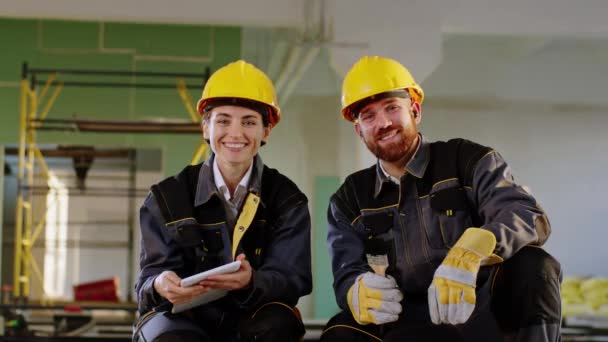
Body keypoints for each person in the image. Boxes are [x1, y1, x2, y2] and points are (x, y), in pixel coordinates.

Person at [320, 56, 562, 342]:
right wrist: (355, 288)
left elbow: (526, 214)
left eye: (391, 108)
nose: (383, 123)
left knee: (535, 266)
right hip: (406, 322)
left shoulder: (467, 160)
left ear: (415, 111)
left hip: (480, 310)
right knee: (340, 332)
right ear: (359, 130)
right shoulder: (349, 197)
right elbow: (347, 269)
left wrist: (472, 251)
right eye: (369, 116)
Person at [133, 60, 312, 342]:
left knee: (279, 325)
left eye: (249, 122)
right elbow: (147, 279)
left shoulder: (287, 199)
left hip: (253, 317)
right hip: (181, 319)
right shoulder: (165, 198)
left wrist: (253, 280)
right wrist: (159, 283)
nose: (236, 133)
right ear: (206, 128)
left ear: (266, 131)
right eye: (223, 120)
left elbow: (293, 278)